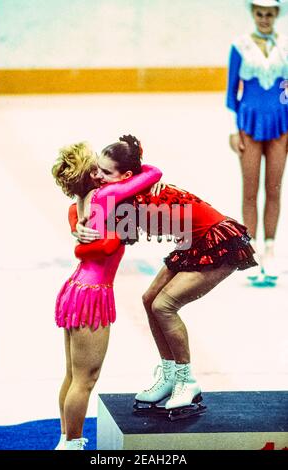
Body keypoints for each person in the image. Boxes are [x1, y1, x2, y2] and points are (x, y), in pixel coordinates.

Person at [74, 173, 257, 421]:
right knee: (149, 299)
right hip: (193, 242)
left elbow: (107, 239)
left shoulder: (132, 196)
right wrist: (80, 226)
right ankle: (170, 374)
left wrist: (82, 234)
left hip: (218, 241)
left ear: (126, 175)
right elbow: (88, 204)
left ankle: (186, 380)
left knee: (164, 306)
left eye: (106, 172)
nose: (99, 176)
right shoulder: (124, 192)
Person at [51, 136, 162, 449]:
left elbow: (83, 235)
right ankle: (71, 444)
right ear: (90, 173)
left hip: (75, 287)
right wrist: (136, 163)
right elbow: (152, 173)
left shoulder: (80, 203)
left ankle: (65, 439)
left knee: (73, 375)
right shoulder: (108, 193)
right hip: (92, 293)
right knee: (86, 379)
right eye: (96, 169)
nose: (101, 174)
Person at [227, 0, 288, 285]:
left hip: (280, 125)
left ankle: (270, 249)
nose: (264, 19)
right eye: (259, 13)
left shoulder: (286, 45)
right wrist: (233, 129)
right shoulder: (240, 46)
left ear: (277, 15)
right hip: (248, 124)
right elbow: (231, 93)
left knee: (274, 189)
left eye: (269, 14)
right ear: (253, 14)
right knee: (250, 190)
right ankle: (248, 251)